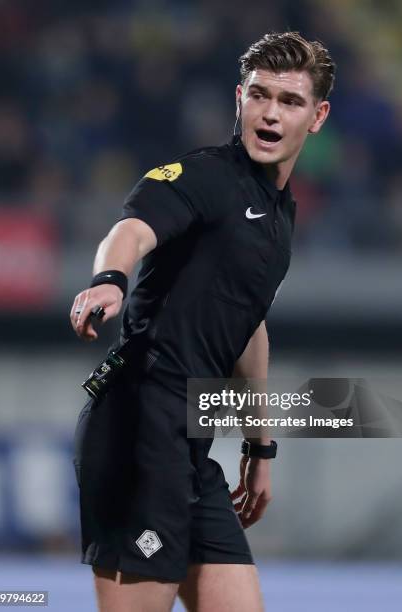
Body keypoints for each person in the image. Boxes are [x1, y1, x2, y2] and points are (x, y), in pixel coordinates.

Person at [70, 31, 334, 612]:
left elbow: (248, 326)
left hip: (192, 438)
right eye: (259, 95)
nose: (269, 113)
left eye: (289, 102)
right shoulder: (204, 176)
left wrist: (260, 444)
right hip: (140, 422)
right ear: (238, 98)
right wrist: (110, 279)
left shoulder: (279, 214)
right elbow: (131, 231)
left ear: (317, 117)